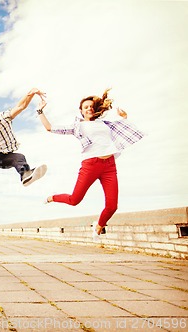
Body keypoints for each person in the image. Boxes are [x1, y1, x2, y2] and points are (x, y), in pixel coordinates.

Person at [36, 88, 145, 241]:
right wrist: (40, 111)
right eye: (86, 107)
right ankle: (53, 197)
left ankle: (99, 226)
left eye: (91, 106)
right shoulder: (78, 127)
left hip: (109, 166)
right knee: (74, 200)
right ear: (81, 111)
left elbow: (122, 129)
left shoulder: (106, 124)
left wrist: (125, 117)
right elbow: (49, 128)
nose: (89, 108)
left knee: (112, 206)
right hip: (90, 165)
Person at [0, 88, 48, 199]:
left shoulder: (4, 117)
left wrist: (30, 94)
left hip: (8, 157)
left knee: (20, 157)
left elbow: (21, 106)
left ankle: (26, 174)